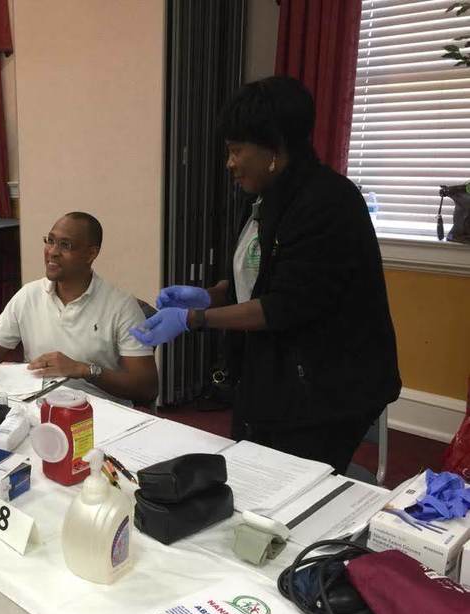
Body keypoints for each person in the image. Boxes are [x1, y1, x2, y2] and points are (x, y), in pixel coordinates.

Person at [131, 76, 401, 472]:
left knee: (286, 483)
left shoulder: (328, 202)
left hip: (327, 384)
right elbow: (257, 279)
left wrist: (195, 318)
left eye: (236, 150)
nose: (230, 163)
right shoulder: (263, 198)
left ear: (274, 148)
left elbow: (285, 305)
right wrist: (210, 294)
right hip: (274, 372)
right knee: (248, 467)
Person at [0, 212, 158, 405]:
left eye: (65, 245)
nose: (52, 252)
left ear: (91, 254)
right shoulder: (29, 295)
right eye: (50, 241)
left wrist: (84, 370)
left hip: (97, 413)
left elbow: (146, 388)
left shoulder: (122, 307)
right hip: (38, 406)